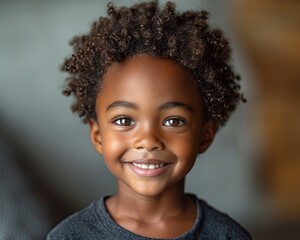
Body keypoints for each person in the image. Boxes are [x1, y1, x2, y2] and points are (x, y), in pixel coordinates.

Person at [46, 1, 251, 239]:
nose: (148, 140)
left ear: (206, 135)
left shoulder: (228, 236)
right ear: (97, 135)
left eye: (173, 121)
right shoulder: (69, 237)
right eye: (124, 121)